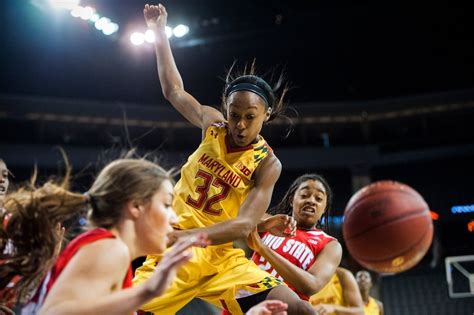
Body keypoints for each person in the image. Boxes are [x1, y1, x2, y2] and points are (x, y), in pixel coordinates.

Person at [134, 3, 316, 314]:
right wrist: (159, 32)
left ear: (266, 115)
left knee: (302, 310)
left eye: (249, 116)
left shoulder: (267, 163)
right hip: (174, 255)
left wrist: (183, 238)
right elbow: (174, 90)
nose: (240, 125)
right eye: (234, 115)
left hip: (219, 260)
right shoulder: (212, 126)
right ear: (226, 110)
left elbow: (243, 224)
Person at [0, 158, 209, 314]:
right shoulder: (110, 249)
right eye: (166, 205)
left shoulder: (109, 250)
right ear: (136, 206)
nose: (174, 218)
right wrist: (148, 291)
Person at [245, 174, 343, 303]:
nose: (311, 201)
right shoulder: (272, 223)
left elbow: (312, 285)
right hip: (247, 296)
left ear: (324, 208)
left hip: (286, 307)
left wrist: (263, 249)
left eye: (318, 198)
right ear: (292, 200)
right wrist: (265, 224)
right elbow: (239, 223)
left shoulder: (330, 245)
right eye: (304, 195)